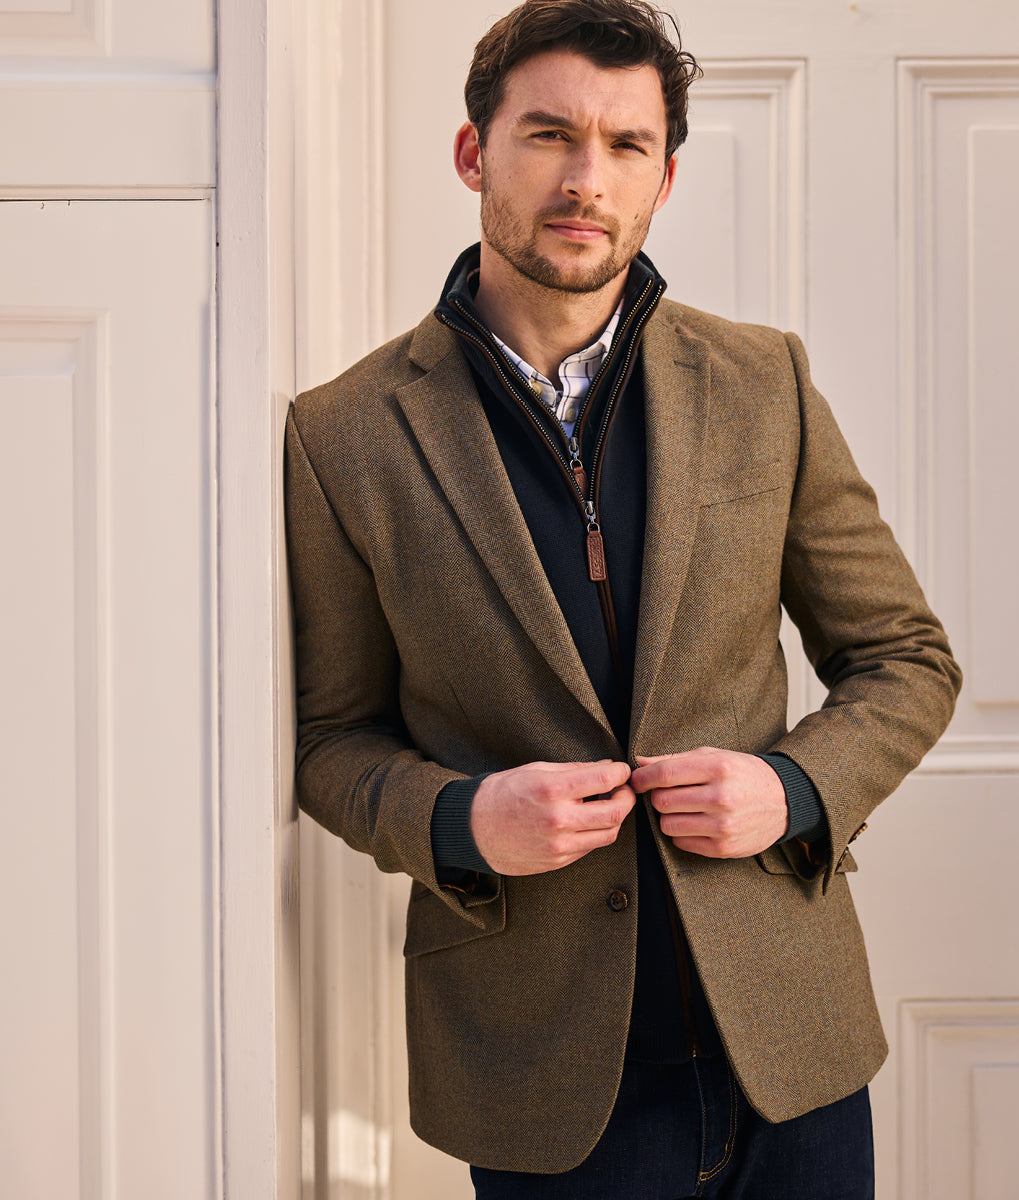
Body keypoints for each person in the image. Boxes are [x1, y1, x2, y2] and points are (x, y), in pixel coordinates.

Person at [284, 1, 961, 1195]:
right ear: (471, 153)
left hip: (791, 1047)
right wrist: (459, 822)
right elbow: (331, 738)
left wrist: (795, 789)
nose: (585, 178)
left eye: (625, 145)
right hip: (540, 1072)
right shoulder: (343, 434)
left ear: (665, 177)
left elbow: (905, 658)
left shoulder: (767, 383)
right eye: (547, 134)